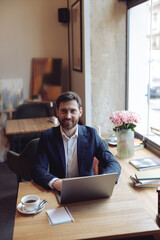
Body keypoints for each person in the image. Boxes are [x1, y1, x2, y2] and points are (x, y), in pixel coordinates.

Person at [32, 91, 121, 191]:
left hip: (87, 190)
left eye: (73, 111)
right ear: (57, 112)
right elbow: (38, 170)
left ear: (80, 112)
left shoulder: (91, 135)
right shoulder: (47, 137)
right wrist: (56, 183)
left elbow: (113, 164)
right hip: (59, 190)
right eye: (64, 111)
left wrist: (102, 181)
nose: (68, 116)